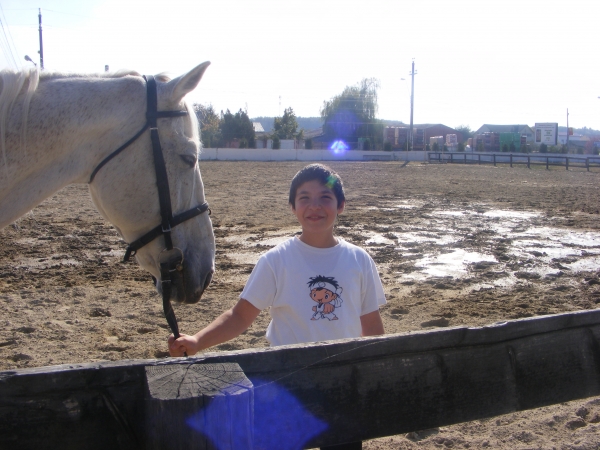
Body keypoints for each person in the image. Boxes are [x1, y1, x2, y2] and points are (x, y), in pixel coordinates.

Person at [168, 163, 386, 450]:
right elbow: (239, 316)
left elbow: (371, 324)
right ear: (293, 207)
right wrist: (197, 341)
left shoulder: (359, 260)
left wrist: (375, 372)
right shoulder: (276, 260)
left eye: (325, 197)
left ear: (341, 205)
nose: (315, 206)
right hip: (288, 381)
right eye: (304, 198)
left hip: (343, 379)